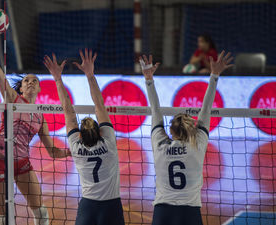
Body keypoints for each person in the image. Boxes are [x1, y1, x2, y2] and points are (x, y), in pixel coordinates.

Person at [0, 17, 71, 225]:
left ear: (40, 88)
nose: (31, 82)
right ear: (22, 88)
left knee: (42, 213)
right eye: (27, 80)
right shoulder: (12, 99)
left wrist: (71, 152)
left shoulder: (40, 116)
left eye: (35, 80)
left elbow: (52, 151)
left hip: (22, 163)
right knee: (2, 218)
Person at [140, 51, 232, 225]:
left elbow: (155, 110)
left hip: (163, 213)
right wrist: (214, 75)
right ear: (191, 130)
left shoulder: (160, 145)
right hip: (189, 213)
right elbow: (206, 111)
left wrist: (148, 79)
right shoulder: (197, 145)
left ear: (171, 131)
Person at [44, 49, 125, 225]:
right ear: (100, 131)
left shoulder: (76, 147)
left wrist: (57, 78)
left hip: (88, 206)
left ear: (80, 135)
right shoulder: (109, 142)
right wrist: (90, 74)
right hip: (111, 206)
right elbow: (99, 105)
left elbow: (68, 111)